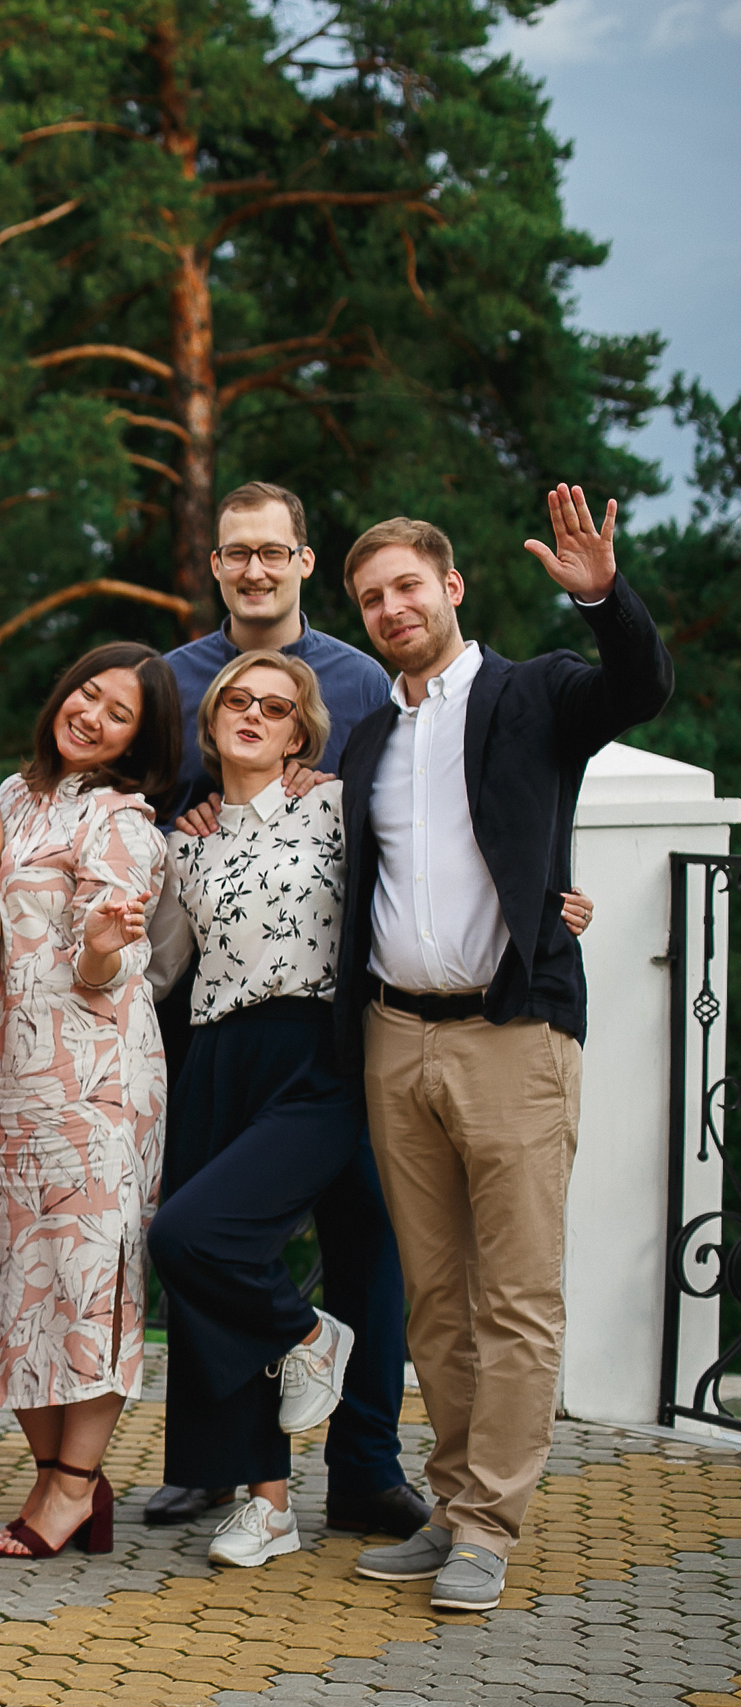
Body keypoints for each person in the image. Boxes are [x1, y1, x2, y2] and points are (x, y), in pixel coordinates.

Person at [337, 491, 671, 1614]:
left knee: (516, 1298)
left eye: (407, 586)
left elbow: (639, 687)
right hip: (395, 1038)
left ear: (451, 587)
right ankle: (449, 1504)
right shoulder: (369, 739)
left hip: (512, 1036)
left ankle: (489, 1526)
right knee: (434, 1300)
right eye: (371, 598)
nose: (392, 608)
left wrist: (601, 597)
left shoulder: (533, 693)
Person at [144, 480, 417, 1538]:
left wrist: (548, 894)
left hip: (337, 1021)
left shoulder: (362, 678)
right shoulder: (172, 678)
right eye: (235, 552)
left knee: (365, 1242)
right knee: (210, 1238)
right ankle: (223, 1471)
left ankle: (366, 1466)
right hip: (206, 1010)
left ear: (303, 559)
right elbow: (142, 807)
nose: (253, 568)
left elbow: (417, 821)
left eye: (272, 551)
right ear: (214, 563)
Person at [143, 651, 371, 1569]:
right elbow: (161, 966)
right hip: (215, 1055)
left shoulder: (339, 805)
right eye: (236, 700)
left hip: (316, 1052)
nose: (253, 714)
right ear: (211, 721)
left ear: (299, 733)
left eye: (276, 708)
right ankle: (265, 1503)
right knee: (203, 1280)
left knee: (193, 1236)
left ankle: (311, 1332)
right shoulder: (184, 841)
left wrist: (551, 904)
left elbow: (427, 876)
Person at [0, 642, 177, 1561]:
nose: (92, 715)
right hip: (4, 1075)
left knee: (88, 1282)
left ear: (138, 741)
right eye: (88, 693)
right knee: (9, 1274)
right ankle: (62, 1475)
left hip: (94, 1088)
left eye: (119, 713)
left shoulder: (123, 821)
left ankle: (73, 1486)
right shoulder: (8, 795)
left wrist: (99, 945)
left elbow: (108, 965)